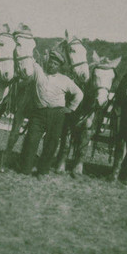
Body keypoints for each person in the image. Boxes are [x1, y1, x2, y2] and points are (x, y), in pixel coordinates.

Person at [20, 48, 84, 176]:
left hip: (57, 114)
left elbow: (79, 94)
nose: (52, 65)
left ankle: (42, 171)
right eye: (51, 62)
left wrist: (70, 108)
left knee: (51, 143)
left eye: (55, 64)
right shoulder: (39, 72)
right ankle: (25, 169)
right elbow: (30, 63)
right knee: (31, 139)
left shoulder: (64, 80)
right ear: (48, 61)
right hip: (39, 112)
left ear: (59, 66)